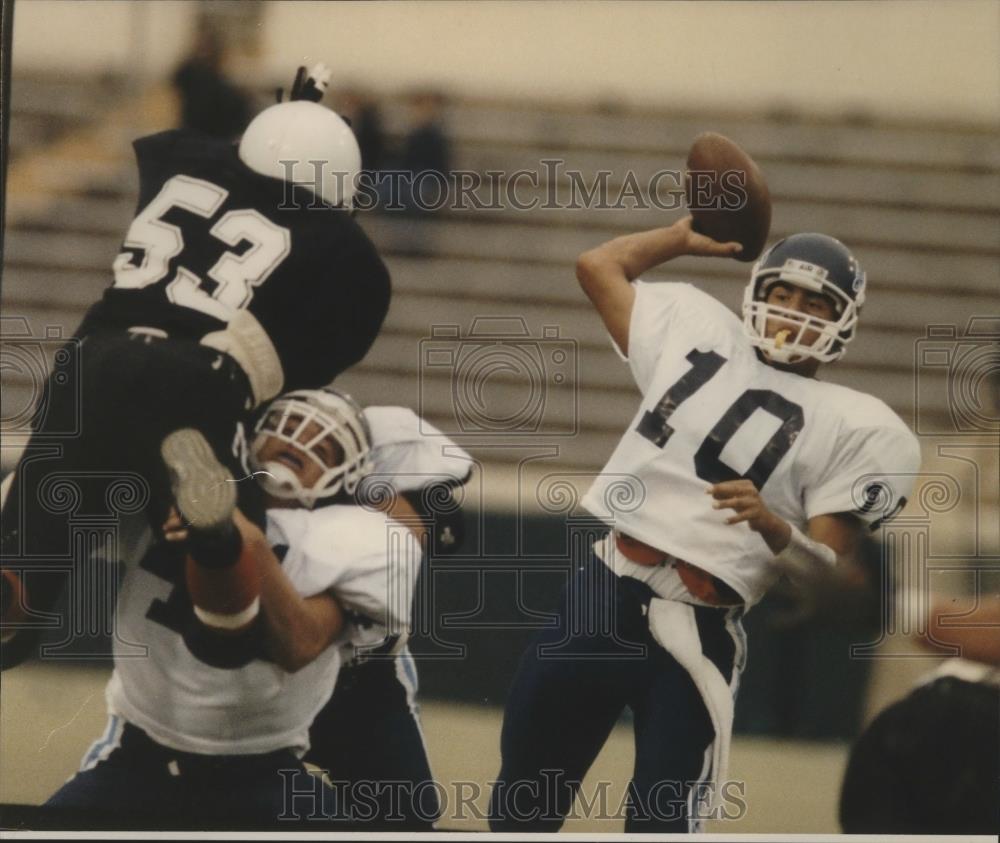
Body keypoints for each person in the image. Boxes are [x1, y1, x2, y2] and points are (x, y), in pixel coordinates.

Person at [489, 218, 921, 832]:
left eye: (815, 302)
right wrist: (683, 236)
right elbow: (598, 266)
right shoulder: (696, 326)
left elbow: (831, 581)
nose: (794, 313)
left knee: (663, 824)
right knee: (522, 801)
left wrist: (774, 528)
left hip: (699, 623)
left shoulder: (860, 428)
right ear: (756, 295)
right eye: (783, 295)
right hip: (604, 592)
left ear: (844, 319)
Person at [0, 66, 391, 669]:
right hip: (197, 383)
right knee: (229, 638)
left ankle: (12, 582)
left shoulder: (182, 166)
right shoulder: (340, 251)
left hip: (93, 358)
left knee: (21, 598)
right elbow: (300, 376)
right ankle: (214, 540)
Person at [41, 388, 424, 829]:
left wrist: (229, 528)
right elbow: (57, 509)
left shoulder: (358, 539)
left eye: (324, 446)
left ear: (346, 475)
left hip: (263, 776)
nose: (297, 443)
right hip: (141, 761)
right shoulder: (166, 491)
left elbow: (300, 642)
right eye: (283, 429)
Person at [304, 404, 473, 830]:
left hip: (366, 681)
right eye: (425, 497)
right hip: (274, 688)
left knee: (409, 819)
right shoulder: (293, 530)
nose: (437, 516)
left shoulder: (387, 547)